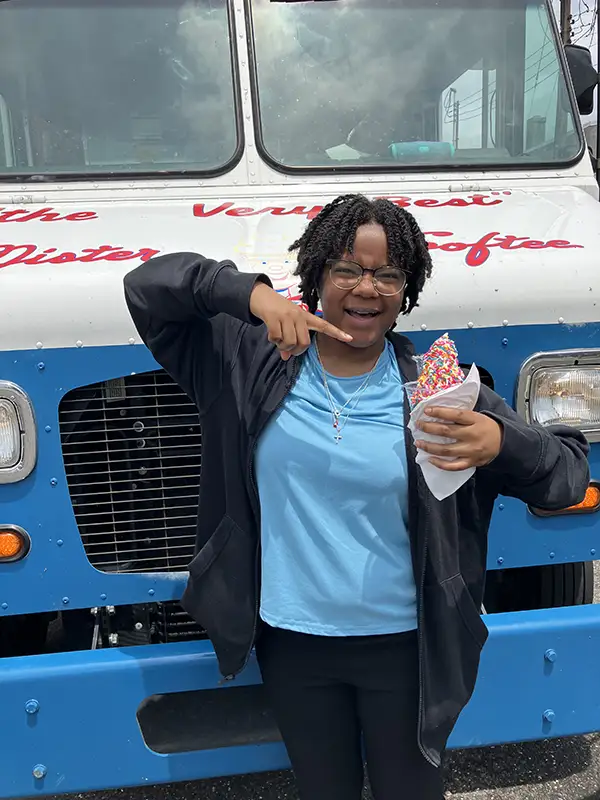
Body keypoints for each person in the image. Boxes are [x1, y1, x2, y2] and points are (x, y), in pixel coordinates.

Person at [124, 194, 589, 800]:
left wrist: (501, 442)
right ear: (317, 276)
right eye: (346, 268)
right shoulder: (247, 362)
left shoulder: (438, 392)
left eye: (387, 274)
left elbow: (568, 476)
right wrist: (250, 293)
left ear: (407, 290)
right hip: (292, 645)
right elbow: (148, 289)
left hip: (403, 651)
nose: (366, 288)